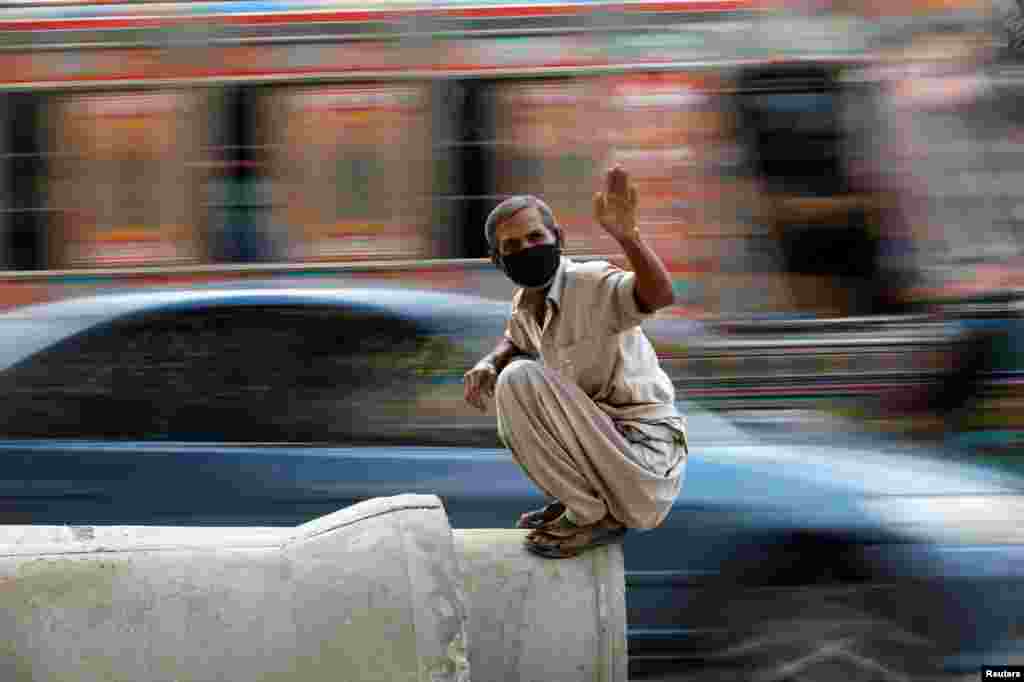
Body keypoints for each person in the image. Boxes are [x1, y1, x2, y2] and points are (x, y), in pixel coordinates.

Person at [463, 165, 688, 559]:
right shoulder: (527, 305)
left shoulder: (590, 283)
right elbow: (515, 339)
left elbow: (658, 295)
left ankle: (589, 513)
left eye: (535, 237)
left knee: (518, 382)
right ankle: (583, 504)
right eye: (512, 247)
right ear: (498, 260)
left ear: (558, 240)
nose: (527, 250)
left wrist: (629, 238)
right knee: (512, 376)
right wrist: (489, 362)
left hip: (645, 458)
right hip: (607, 456)